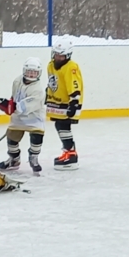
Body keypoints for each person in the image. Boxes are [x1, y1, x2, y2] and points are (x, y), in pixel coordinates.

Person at [0, 57, 46, 175]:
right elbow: (15, 98)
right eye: (29, 72)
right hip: (18, 117)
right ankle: (14, 160)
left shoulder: (38, 90)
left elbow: (25, 107)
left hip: (34, 117)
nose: (31, 75)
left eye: (34, 72)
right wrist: (6, 104)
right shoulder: (17, 81)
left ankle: (34, 158)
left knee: (36, 138)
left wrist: (11, 106)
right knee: (12, 138)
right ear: (24, 71)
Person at [46, 38, 84, 170]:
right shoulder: (50, 65)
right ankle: (68, 151)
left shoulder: (71, 67)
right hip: (56, 102)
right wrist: (47, 95)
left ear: (67, 56)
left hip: (68, 103)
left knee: (63, 126)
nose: (58, 58)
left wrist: (74, 102)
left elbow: (74, 84)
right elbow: (52, 82)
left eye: (61, 56)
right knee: (60, 125)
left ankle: (71, 154)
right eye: (56, 55)